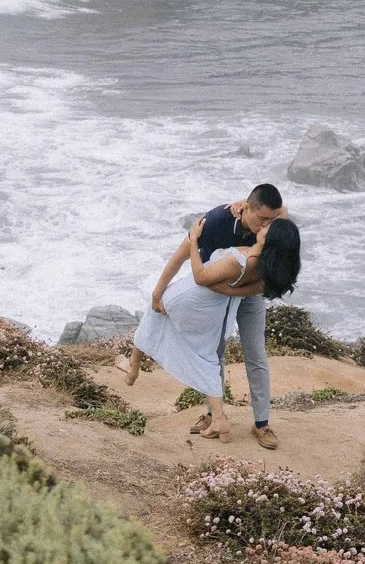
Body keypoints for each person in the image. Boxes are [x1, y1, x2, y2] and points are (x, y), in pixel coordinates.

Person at [124, 186, 302, 446]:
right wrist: (157, 291)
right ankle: (212, 415)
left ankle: (262, 424)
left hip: (245, 293)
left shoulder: (270, 223)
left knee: (256, 354)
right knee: (213, 351)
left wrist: (231, 289)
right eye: (262, 219)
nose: (267, 224)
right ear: (246, 209)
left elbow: (282, 212)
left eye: (270, 220)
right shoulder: (217, 221)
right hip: (215, 297)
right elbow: (179, 256)